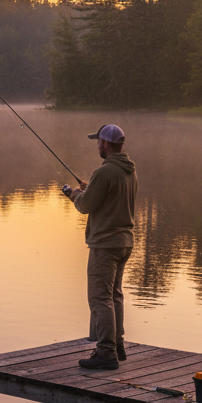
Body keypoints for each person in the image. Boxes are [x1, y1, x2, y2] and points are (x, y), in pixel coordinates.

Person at [61, 124, 138, 370]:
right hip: (124, 242)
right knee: (114, 295)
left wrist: (74, 194)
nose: (97, 146)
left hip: (105, 245)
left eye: (98, 142)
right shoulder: (129, 171)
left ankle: (106, 352)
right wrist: (90, 188)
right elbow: (109, 198)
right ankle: (117, 344)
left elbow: (85, 206)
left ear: (105, 144)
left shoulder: (104, 172)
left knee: (100, 298)